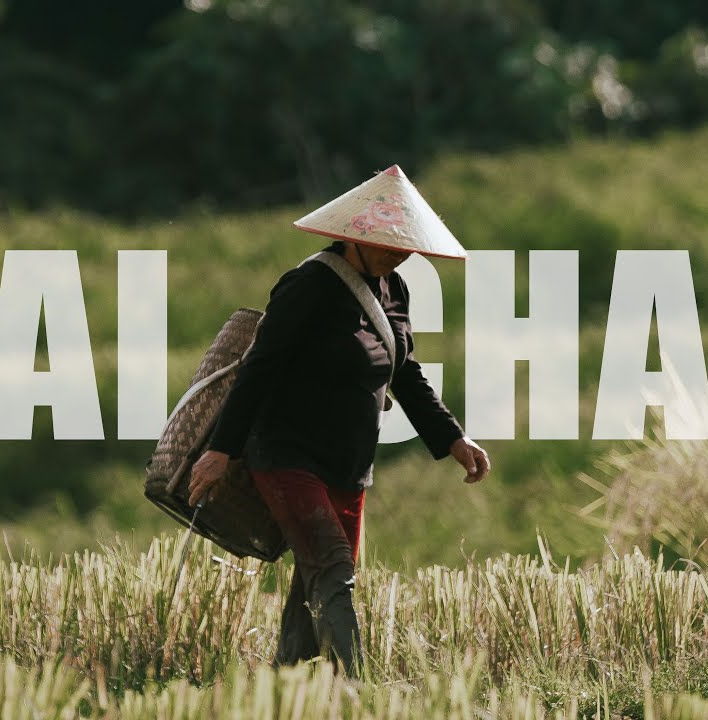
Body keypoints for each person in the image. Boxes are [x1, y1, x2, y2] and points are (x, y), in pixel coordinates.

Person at [186, 165, 490, 678]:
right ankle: (358, 688)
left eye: (406, 246)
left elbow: (403, 370)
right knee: (333, 570)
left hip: (348, 465)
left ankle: (285, 685)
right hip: (287, 456)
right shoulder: (308, 286)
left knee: (316, 581)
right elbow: (260, 369)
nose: (399, 254)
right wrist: (221, 449)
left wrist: (452, 437)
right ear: (354, 234)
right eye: (388, 244)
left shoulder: (393, 291)